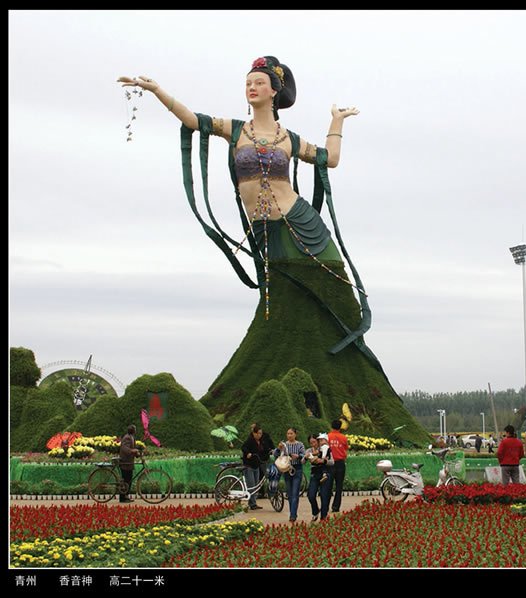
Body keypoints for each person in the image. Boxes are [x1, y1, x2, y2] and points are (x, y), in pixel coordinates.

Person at [115, 58, 391, 379]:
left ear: (274, 91)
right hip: (264, 227)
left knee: (331, 274)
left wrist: (337, 120)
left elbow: (329, 159)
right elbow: (192, 120)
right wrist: (156, 90)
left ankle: (347, 359)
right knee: (282, 293)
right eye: (248, 83)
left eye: (259, 82)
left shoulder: (288, 138)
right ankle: (287, 361)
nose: (252, 87)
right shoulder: (235, 130)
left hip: (299, 218)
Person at [274, 427, 305, 522]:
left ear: (295, 434)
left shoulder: (300, 445)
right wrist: (278, 448)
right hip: (286, 470)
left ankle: (292, 515)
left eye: (291, 433)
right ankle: (293, 512)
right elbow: (275, 455)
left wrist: (298, 456)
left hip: (297, 469)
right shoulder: (284, 445)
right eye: (288, 433)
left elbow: (303, 456)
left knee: (295, 492)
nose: (289, 435)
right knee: (289, 493)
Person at [304, 434, 333, 521]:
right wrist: (306, 457)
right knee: (311, 495)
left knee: (324, 495)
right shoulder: (309, 450)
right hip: (314, 474)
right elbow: (302, 461)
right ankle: (315, 511)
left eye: (315, 442)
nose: (313, 444)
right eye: (311, 443)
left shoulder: (324, 448)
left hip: (325, 473)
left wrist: (323, 461)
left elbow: (332, 461)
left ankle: (323, 516)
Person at [241, 424, 265, 510]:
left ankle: (253, 502)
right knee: (251, 484)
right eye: (258, 433)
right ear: (254, 433)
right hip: (249, 465)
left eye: (260, 433)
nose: (259, 435)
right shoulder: (250, 440)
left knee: (256, 485)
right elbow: (243, 447)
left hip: (256, 465)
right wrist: (248, 453)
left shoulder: (260, 441)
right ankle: (252, 503)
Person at [327, 419, 348, 512]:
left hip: (330, 463)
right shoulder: (343, 437)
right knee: (339, 486)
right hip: (340, 463)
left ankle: (325, 505)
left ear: (331, 426)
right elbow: (345, 448)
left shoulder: (328, 437)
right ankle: (335, 507)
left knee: (328, 485)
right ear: (340, 428)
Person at [119, 424, 140, 503]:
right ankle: (123, 497)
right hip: (125, 462)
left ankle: (126, 495)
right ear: (133, 430)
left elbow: (132, 448)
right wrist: (132, 451)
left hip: (129, 462)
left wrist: (137, 453)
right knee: (125, 480)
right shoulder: (127, 437)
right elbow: (125, 448)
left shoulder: (131, 437)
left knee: (129, 480)